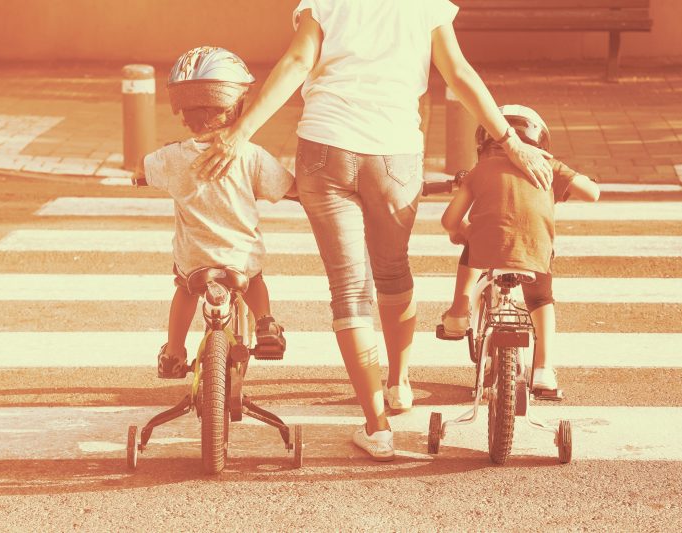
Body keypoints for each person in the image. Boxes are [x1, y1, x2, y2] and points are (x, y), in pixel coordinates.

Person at [193, 2, 553, 461]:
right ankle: (400, 384)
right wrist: (511, 142)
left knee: (348, 292)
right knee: (392, 270)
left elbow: (298, 62)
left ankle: (377, 428)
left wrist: (240, 132)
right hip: (395, 154)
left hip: (325, 149)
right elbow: (459, 74)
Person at [135, 46, 295, 378]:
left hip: (195, 259)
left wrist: (140, 174)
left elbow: (141, 168)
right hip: (239, 258)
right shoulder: (250, 155)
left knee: (183, 289)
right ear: (238, 105)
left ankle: (174, 353)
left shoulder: (173, 158)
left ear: (182, 112)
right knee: (255, 279)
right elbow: (286, 186)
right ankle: (265, 322)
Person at [439, 104, 600, 396]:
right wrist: (581, 179)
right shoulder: (547, 165)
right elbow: (592, 194)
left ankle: (458, 313)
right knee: (541, 299)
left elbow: (449, 220)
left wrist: (460, 232)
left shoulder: (479, 170)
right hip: (535, 249)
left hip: (487, 246)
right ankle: (543, 371)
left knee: (474, 242)